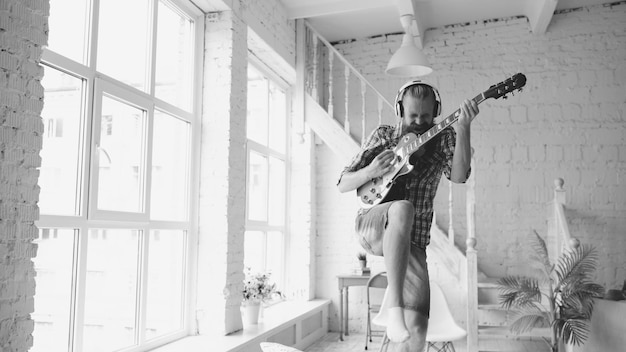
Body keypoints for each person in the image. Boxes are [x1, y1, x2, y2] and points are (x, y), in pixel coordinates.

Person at [336, 80, 478, 351]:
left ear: (436, 110)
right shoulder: (384, 135)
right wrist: (370, 171)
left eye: (426, 116)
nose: (419, 122)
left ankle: (402, 320)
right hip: (373, 225)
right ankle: (395, 308)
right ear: (399, 109)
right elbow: (343, 183)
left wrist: (464, 128)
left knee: (417, 333)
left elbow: (459, 176)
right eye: (413, 115)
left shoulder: (444, 139)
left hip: (412, 243)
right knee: (402, 208)